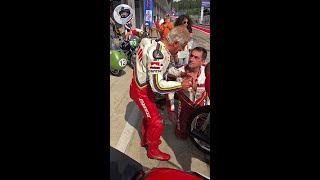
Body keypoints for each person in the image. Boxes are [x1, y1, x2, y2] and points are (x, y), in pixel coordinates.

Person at [129, 25, 192, 161]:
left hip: (144, 89)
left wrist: (180, 73)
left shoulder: (160, 47)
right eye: (182, 46)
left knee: (149, 118)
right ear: (175, 42)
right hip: (141, 91)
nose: (182, 49)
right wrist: (181, 85)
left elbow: (166, 68)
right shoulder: (157, 53)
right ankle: (153, 151)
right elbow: (157, 86)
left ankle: (146, 141)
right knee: (157, 122)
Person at [166, 47, 210, 140]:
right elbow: (170, 90)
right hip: (184, 109)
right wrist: (171, 110)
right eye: (191, 55)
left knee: (198, 134)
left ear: (202, 61)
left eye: (196, 57)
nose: (191, 59)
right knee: (181, 135)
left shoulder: (207, 73)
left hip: (200, 108)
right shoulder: (178, 71)